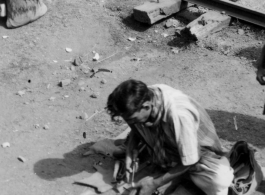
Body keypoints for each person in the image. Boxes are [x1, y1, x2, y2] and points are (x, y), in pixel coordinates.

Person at [106, 79, 234, 195]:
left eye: (132, 119)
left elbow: (191, 160)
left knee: (218, 181)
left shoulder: (179, 115)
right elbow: (135, 126)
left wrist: (155, 183)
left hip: (198, 150)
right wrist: (130, 152)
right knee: (137, 131)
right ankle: (169, 167)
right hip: (169, 140)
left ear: (146, 106)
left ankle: (177, 175)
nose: (130, 122)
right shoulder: (143, 97)